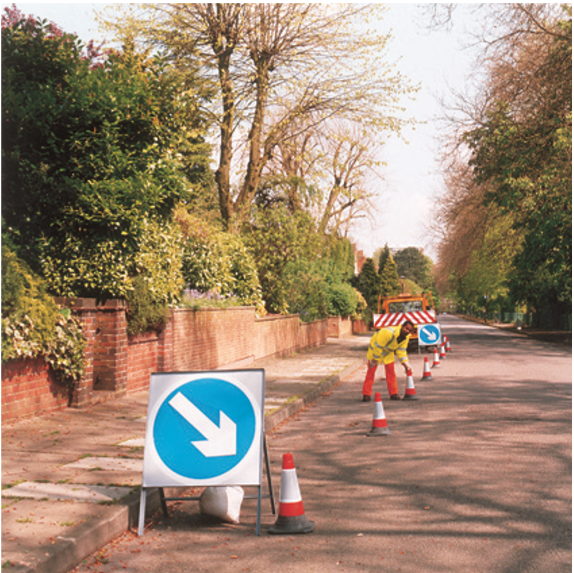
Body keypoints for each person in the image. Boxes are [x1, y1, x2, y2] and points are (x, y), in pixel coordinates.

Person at [361, 320, 415, 401]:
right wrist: (374, 360)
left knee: (391, 372)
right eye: (406, 328)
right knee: (371, 372)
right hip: (376, 351)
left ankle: (394, 393)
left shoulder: (405, 338)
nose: (408, 331)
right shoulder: (388, 332)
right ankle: (366, 394)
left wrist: (406, 365)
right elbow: (378, 346)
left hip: (387, 352)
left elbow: (401, 352)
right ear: (402, 326)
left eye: (410, 330)